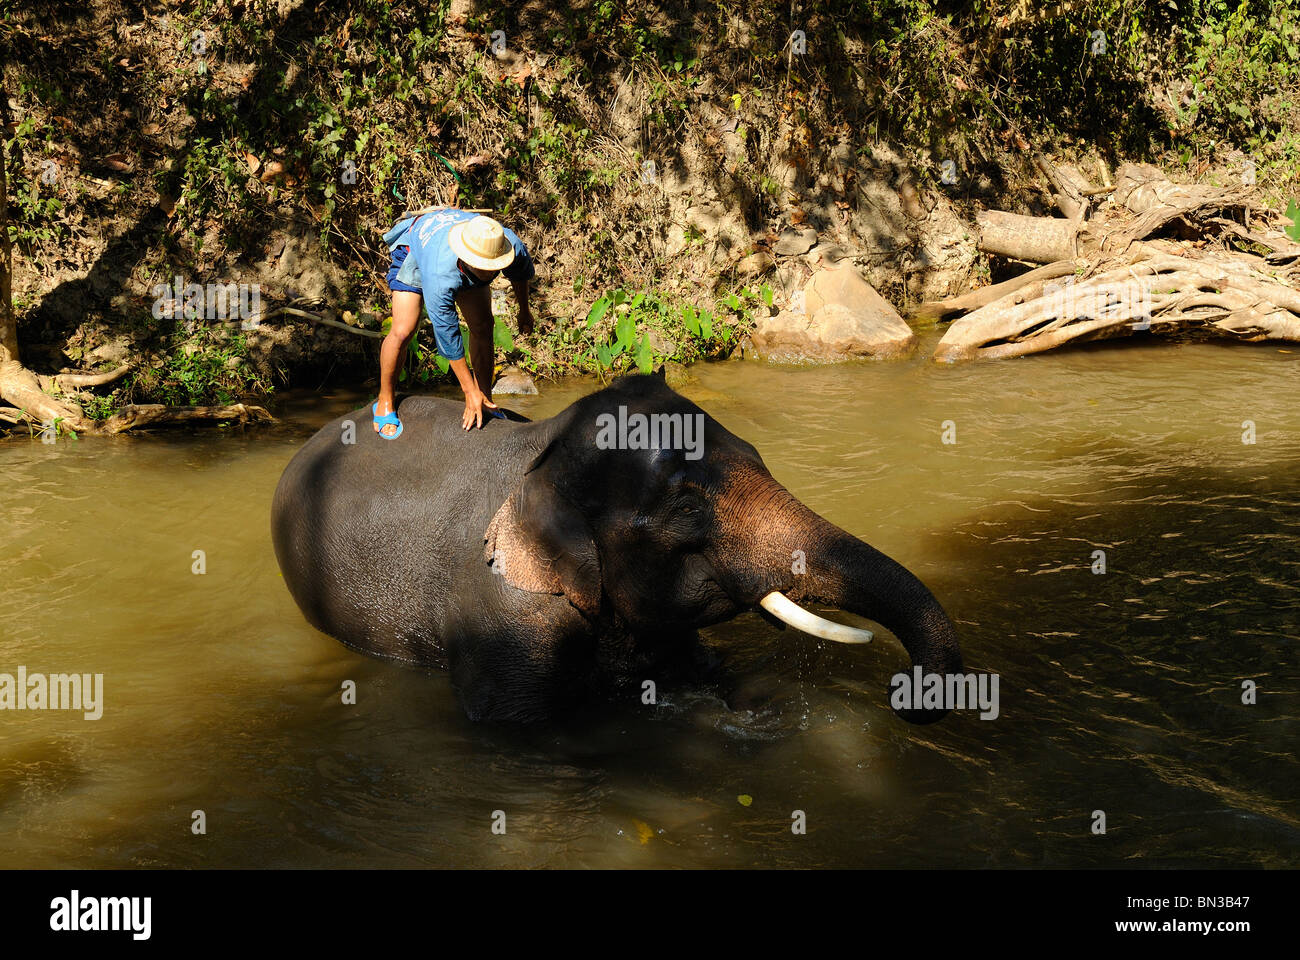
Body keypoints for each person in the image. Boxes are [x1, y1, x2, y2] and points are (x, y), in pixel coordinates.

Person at [373, 208, 534, 437]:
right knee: (403, 330)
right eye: (484, 268)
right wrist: (468, 392)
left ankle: (486, 399)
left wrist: (525, 312)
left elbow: (520, 275)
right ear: (468, 258)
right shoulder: (440, 275)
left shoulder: (507, 243)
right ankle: (385, 399)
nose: (491, 274)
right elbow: (448, 335)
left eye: (493, 268)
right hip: (417, 249)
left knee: (483, 326)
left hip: (455, 253)